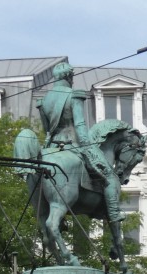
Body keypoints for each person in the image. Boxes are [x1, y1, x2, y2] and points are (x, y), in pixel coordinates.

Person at [37, 61, 123, 227]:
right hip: (72, 145)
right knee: (109, 175)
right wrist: (89, 148)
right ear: (69, 77)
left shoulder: (44, 101)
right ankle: (113, 213)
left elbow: (47, 130)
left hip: (51, 148)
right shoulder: (73, 95)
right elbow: (80, 128)